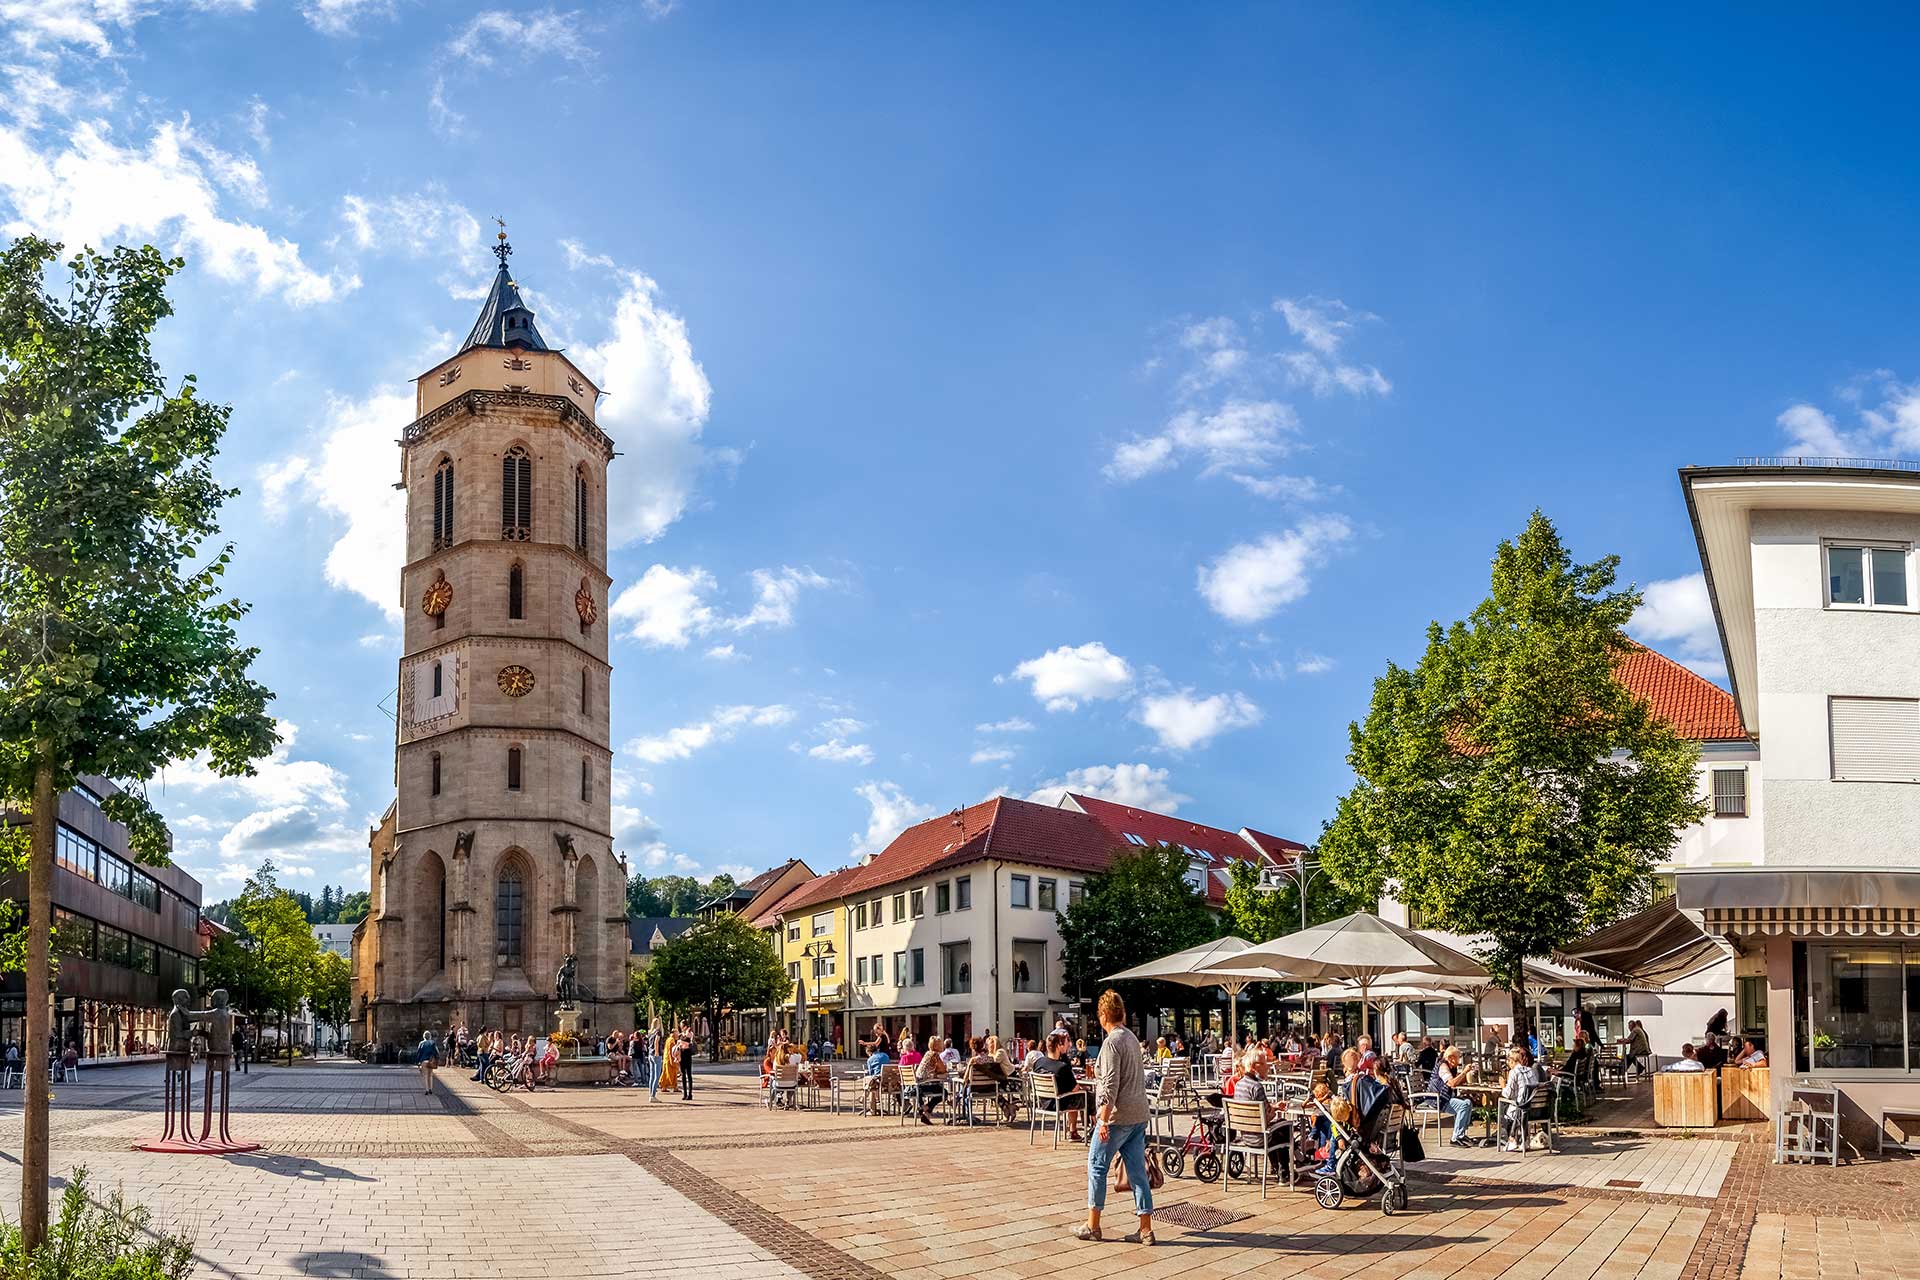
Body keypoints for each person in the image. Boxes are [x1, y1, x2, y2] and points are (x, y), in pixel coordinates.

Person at [1073, 990, 1153, 1246]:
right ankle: (1145, 1229)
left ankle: (1093, 1225)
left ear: (1104, 1015)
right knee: (1138, 1173)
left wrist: (1103, 1119)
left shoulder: (1111, 1043)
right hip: (1139, 1114)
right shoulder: (1131, 1038)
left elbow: (1110, 1084)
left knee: (1097, 1166)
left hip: (1117, 1117)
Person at [1496, 1046, 1535, 1152]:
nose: (1508, 1063)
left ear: (1512, 1060)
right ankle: (1524, 1140)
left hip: (1521, 1109)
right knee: (1520, 1104)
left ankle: (1512, 1140)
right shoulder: (1530, 1070)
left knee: (1503, 1110)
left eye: (1508, 1060)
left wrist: (1503, 1086)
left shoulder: (1514, 1072)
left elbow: (1508, 1094)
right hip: (1535, 1109)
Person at [1434, 1045, 1476, 1145]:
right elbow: (1452, 1083)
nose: (1459, 1060)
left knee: (1468, 1102)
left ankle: (1461, 1134)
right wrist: (1464, 1072)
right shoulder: (1443, 1066)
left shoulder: (1451, 1067)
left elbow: (1456, 1082)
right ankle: (1455, 1138)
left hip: (1445, 1097)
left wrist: (1468, 1075)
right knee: (1463, 1105)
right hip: (1438, 1099)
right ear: (1451, 1058)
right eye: (1458, 1057)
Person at [861, 1036, 892, 1116]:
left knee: (870, 1084)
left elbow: (871, 1073)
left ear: (869, 1052)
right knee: (872, 1083)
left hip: (877, 1082)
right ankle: (865, 1096)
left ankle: (872, 1109)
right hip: (888, 1082)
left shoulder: (870, 1059)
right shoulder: (885, 1055)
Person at [415, 1029, 438, 1095]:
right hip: (430, 1061)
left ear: (424, 1036)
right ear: (430, 1036)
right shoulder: (432, 1043)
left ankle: (426, 1090)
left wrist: (418, 1062)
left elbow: (418, 1053)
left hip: (423, 1061)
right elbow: (436, 1052)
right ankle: (431, 1089)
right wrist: (436, 1059)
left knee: (425, 1076)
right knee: (430, 1075)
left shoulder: (421, 1043)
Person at [677, 1028, 695, 1100]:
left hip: (687, 1054)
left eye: (683, 1026)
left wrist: (681, 1041)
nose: (682, 1027)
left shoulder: (689, 1033)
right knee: (683, 1074)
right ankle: (685, 1094)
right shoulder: (681, 1035)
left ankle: (690, 1094)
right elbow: (679, 1043)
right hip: (682, 1054)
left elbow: (688, 1041)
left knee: (689, 1074)